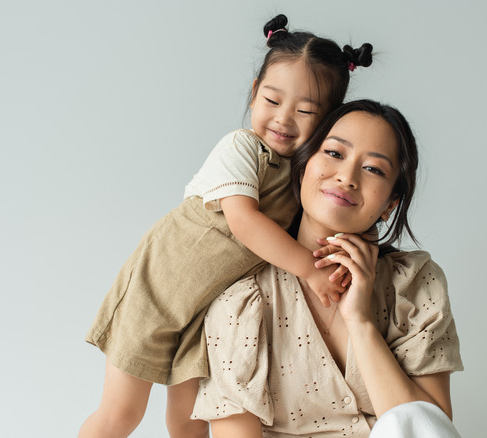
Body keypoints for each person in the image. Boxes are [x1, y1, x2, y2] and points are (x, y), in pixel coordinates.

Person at [79, 15, 374, 438]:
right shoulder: (241, 148)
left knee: (189, 422)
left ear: (328, 122)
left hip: (205, 314)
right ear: (254, 94)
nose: (284, 119)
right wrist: (310, 269)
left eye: (306, 111)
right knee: (121, 414)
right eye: (272, 101)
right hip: (156, 292)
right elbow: (243, 222)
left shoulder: (305, 179)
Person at [192, 100, 464, 437]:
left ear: (390, 204)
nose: (347, 177)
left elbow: (429, 429)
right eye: (335, 153)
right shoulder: (241, 300)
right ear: (304, 166)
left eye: (374, 169)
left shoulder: (414, 284)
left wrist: (360, 321)